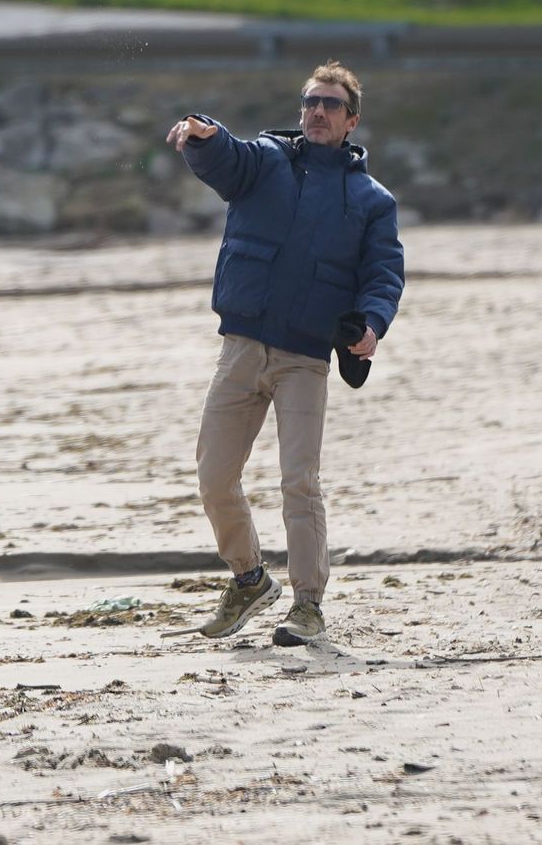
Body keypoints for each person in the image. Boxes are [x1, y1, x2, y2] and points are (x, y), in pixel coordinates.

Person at [163, 60, 404, 646]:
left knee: (300, 482)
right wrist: (206, 133)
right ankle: (249, 579)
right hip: (241, 348)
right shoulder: (267, 161)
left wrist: (372, 324)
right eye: (310, 102)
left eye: (330, 105)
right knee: (215, 477)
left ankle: (307, 606)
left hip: (305, 359)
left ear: (351, 121)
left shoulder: (372, 200)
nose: (317, 112)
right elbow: (228, 157)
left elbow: (383, 273)